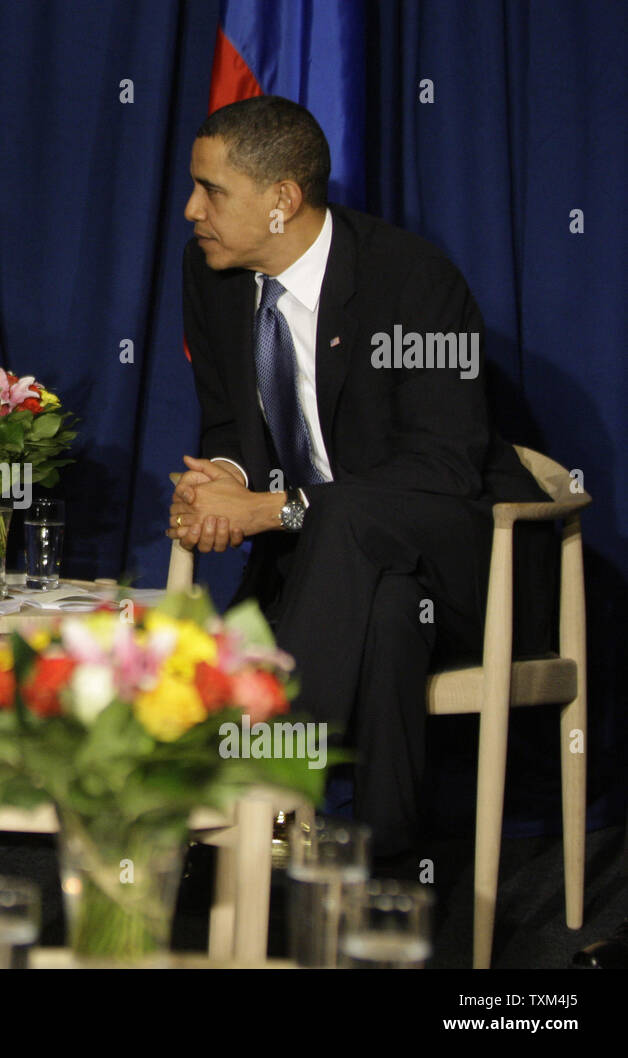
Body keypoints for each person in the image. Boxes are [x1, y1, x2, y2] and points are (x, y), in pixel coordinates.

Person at [167, 96, 549, 860]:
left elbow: (442, 467)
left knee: (348, 523)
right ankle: (381, 889)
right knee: (390, 617)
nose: (190, 210)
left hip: (471, 565)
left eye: (212, 191)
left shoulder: (412, 281)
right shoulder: (211, 277)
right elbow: (227, 423)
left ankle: (260, 781)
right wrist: (221, 482)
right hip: (346, 586)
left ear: (283, 200)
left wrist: (272, 509)